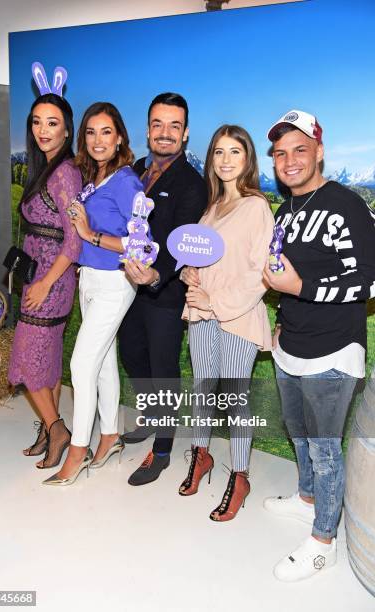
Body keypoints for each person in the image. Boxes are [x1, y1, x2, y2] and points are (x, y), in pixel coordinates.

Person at [263, 109, 375, 581]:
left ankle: (323, 541)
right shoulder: (286, 209)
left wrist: (301, 288)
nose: (289, 162)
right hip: (292, 343)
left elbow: (367, 284)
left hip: (333, 350)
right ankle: (307, 498)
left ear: (319, 152)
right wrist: (284, 318)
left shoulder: (347, 205)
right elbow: (281, 272)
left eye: (300, 151)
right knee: (300, 430)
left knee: (326, 449)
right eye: (281, 153)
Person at [178, 124, 274, 520]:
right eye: (219, 152)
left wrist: (214, 300)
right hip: (201, 313)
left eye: (235, 152)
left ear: (247, 159)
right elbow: (198, 257)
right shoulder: (211, 209)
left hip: (236, 316)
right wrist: (188, 272)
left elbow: (259, 275)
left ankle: (240, 475)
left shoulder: (257, 208)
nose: (226, 160)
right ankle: (200, 456)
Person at [43, 102, 141, 485]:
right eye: (91, 132)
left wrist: (90, 234)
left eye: (106, 132)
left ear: (119, 138)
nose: (98, 140)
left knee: (81, 366)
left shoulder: (127, 181)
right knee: (101, 364)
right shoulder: (96, 177)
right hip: (91, 279)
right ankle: (112, 436)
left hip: (115, 283)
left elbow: (140, 244)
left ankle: (78, 451)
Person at [118, 92, 207, 486]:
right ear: (148, 129)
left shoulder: (192, 182)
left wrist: (156, 276)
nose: (165, 133)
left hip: (164, 293)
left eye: (174, 126)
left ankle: (164, 451)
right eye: (158, 124)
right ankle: (152, 417)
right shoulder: (135, 170)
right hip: (127, 288)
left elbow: (182, 242)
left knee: (164, 369)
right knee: (132, 354)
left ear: (185, 134)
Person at [8, 93, 82, 469]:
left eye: (52, 122)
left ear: (67, 130)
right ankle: (46, 429)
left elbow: (74, 239)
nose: (43, 130)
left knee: (27, 357)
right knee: (48, 359)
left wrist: (43, 284)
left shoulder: (65, 172)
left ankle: (56, 428)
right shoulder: (45, 167)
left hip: (51, 279)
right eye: (37, 121)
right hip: (39, 273)